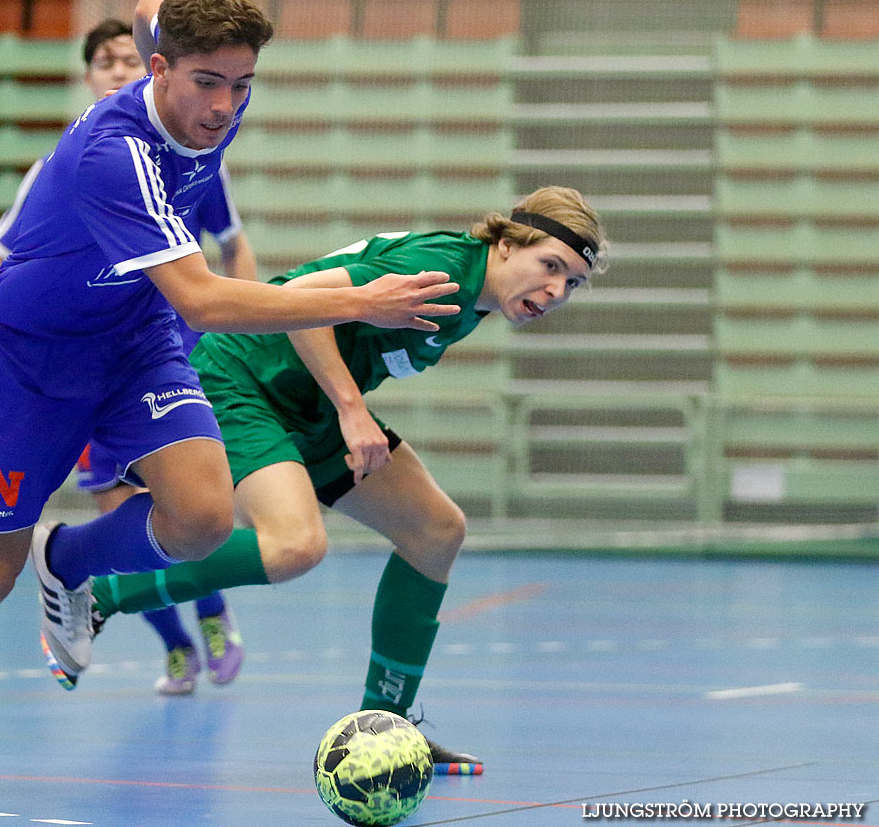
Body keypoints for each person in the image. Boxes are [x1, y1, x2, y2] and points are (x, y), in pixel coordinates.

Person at [0, 0, 463, 786]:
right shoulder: (115, 156)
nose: (225, 106)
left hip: (135, 343)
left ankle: (71, 558)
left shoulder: (204, 87)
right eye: (207, 83)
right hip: (29, 360)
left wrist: (173, 6)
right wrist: (360, 302)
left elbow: (152, 4)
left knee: (200, 516)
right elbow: (201, 296)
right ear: (157, 71)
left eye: (242, 86)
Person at [80, 186, 609, 773]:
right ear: (508, 244)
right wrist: (352, 407)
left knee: (436, 532)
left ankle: (389, 728)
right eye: (551, 266)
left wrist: (342, 405)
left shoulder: (478, 296)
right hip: (246, 378)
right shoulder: (439, 274)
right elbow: (300, 296)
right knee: (294, 545)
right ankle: (101, 592)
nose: (557, 290)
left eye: (574, 282)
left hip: (310, 403)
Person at [0, 18, 259, 696]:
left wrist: (238, 318)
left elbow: (229, 249)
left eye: (124, 55)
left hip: (164, 345)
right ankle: (172, 644)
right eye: (103, 61)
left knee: (194, 508)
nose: (117, 68)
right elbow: (7, 249)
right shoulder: (80, 160)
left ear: (150, 62)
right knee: (119, 514)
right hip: (69, 360)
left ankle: (215, 613)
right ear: (91, 78)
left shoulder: (200, 137)